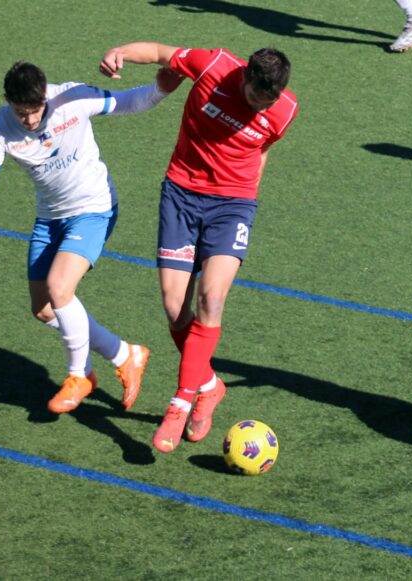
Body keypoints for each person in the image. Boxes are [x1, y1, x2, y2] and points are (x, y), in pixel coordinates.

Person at [99, 43, 299, 453]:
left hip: (233, 205)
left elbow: (261, 152)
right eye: (256, 98)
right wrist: (120, 52)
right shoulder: (212, 65)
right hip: (181, 196)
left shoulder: (283, 110)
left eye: (270, 100)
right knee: (175, 308)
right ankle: (207, 385)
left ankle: (180, 403)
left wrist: (244, 198)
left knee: (212, 298)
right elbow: (157, 51)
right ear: (244, 77)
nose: (262, 107)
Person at [0, 62, 183, 414]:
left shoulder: (72, 98)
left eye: (35, 112)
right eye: (21, 113)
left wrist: (161, 89)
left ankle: (80, 374)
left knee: (59, 288)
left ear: (46, 95)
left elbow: (126, 102)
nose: (30, 121)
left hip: (94, 208)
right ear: (8, 102)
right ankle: (126, 354)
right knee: (44, 307)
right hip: (49, 218)